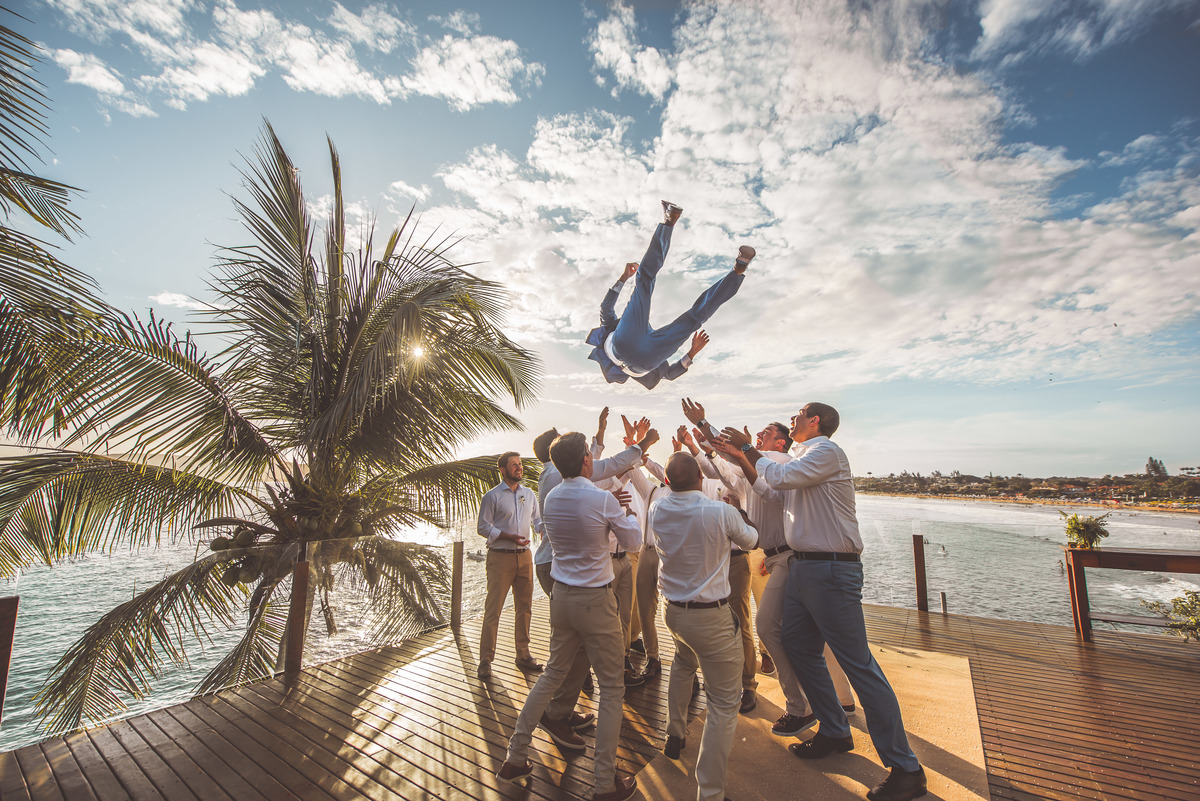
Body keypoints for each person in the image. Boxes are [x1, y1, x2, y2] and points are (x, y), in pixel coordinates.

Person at [723, 404, 927, 801]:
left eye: (799, 414)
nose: (793, 418)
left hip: (832, 569)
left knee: (858, 664)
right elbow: (770, 488)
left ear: (815, 421)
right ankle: (834, 729)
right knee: (797, 644)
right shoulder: (802, 457)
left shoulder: (825, 452)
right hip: (803, 567)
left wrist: (747, 446)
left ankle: (906, 768)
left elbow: (779, 475)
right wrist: (741, 455)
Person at [497, 429, 657, 801]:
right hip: (594, 600)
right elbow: (632, 541)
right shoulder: (601, 500)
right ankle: (604, 782)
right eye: (590, 453)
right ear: (586, 460)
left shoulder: (551, 498)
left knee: (553, 673)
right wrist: (626, 513)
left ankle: (516, 754)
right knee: (613, 687)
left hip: (561, 598)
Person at [650, 452, 758, 801]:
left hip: (674, 612)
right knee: (724, 704)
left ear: (667, 481)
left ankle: (675, 733)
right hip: (710, 617)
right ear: (700, 476)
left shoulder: (658, 509)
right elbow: (751, 541)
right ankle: (710, 793)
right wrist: (740, 514)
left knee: (682, 664)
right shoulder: (719, 511)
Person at [585, 201, 754, 389]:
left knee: (694, 319)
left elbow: (671, 374)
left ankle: (736, 270)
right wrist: (624, 278)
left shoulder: (626, 327)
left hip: (641, 362)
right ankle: (670, 223)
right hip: (626, 349)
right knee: (645, 281)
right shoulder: (619, 326)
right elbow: (605, 308)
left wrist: (692, 353)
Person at [476, 451, 542, 679]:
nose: (519, 468)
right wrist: (507, 536)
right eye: (514, 465)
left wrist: (547, 530)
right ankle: (485, 660)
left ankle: (523, 654)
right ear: (503, 470)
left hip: (525, 557)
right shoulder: (492, 496)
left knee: (525, 608)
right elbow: (483, 527)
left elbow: (537, 520)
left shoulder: (529, 494)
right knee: (493, 610)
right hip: (500, 557)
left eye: (520, 464)